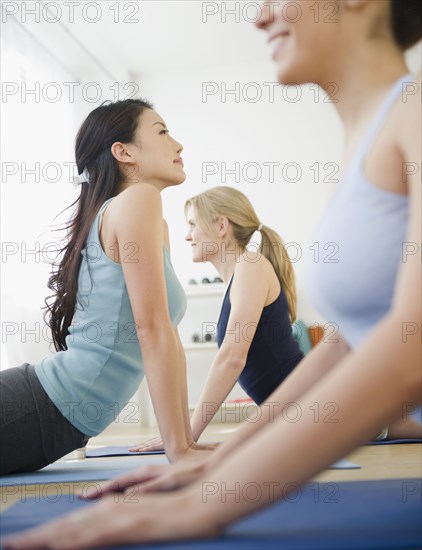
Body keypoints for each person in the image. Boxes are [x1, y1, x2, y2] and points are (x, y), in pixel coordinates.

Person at [4, 0, 421, 547]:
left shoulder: (412, 116)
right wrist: (223, 462)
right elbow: (348, 347)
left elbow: (403, 348)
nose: (260, 16)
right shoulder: (367, 140)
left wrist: (213, 493)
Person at [0, 98, 211, 475]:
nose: (178, 144)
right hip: (37, 405)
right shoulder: (137, 200)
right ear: (123, 152)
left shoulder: (147, 219)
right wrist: (180, 450)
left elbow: (167, 335)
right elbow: (151, 329)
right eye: (162, 131)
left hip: (48, 411)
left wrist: (182, 439)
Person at [130, 186, 304, 452]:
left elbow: (232, 358)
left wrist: (186, 436)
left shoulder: (251, 265)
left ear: (222, 225)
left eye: (192, 225)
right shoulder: (239, 276)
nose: (187, 236)